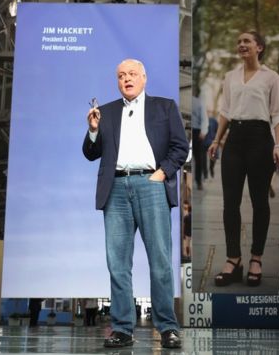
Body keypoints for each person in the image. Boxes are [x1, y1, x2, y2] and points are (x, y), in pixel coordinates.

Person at [82, 59, 188, 349]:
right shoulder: (105, 112)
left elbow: (181, 147)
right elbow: (91, 153)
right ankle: (122, 328)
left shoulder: (164, 107)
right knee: (117, 263)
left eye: (131, 74)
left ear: (144, 78)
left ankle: (167, 328)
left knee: (160, 262)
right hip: (115, 188)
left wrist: (162, 173)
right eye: (120, 76)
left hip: (150, 184)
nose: (126, 79)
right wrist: (93, 129)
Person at [207, 31, 279, 287]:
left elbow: (277, 114)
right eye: (239, 41)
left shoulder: (271, 77)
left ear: (259, 47)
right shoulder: (230, 77)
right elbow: (226, 111)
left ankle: (256, 258)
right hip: (235, 139)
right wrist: (217, 140)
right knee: (230, 202)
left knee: (259, 201)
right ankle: (233, 260)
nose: (241, 45)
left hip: (260, 139)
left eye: (247, 41)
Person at [192, 91, 208, 190]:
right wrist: (203, 131)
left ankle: (198, 181)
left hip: (196, 132)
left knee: (198, 159)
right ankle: (198, 182)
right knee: (198, 159)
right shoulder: (199, 102)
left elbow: (204, 118)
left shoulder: (199, 102)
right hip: (196, 131)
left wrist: (203, 131)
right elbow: (204, 118)